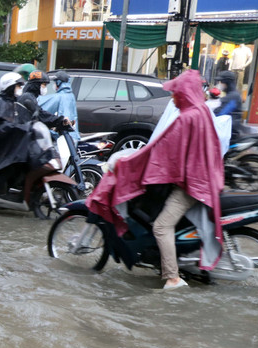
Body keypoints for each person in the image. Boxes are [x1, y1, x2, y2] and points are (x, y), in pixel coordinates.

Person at [85, 70, 224, 290]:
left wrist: (128, 163)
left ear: (184, 93)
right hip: (206, 179)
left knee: (161, 226)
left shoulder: (188, 117)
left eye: (175, 93)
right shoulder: (202, 111)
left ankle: (173, 278)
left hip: (192, 185)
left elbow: (159, 151)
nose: (172, 97)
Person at [0, 72, 63, 212]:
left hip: (6, 143)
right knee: (10, 167)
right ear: (9, 87)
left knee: (21, 164)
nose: (20, 88)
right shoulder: (3, 103)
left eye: (20, 85)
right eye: (17, 85)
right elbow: (3, 127)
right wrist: (24, 128)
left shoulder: (10, 102)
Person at [38, 70, 80, 143]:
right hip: (72, 136)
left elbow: (42, 108)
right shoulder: (70, 96)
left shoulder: (59, 97)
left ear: (58, 82)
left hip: (63, 138)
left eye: (55, 82)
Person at [213, 70, 245, 139]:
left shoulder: (233, 97)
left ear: (227, 83)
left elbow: (221, 113)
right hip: (226, 130)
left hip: (229, 132)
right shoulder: (232, 95)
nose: (219, 84)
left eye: (221, 82)